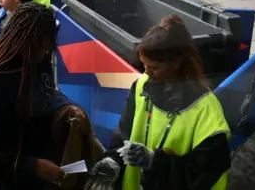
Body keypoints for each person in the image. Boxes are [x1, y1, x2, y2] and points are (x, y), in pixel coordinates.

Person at [86, 15, 231, 190]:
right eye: (144, 65)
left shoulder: (209, 116)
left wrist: (155, 162)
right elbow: (125, 132)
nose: (147, 73)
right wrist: (114, 160)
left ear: (177, 63)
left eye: (154, 67)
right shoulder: (141, 85)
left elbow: (200, 176)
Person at [0, 3, 102, 190]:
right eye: (39, 49)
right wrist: (34, 167)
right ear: (20, 41)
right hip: (17, 181)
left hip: (47, 171)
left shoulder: (38, 60)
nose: (44, 55)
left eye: (47, 49)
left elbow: (46, 91)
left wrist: (69, 107)